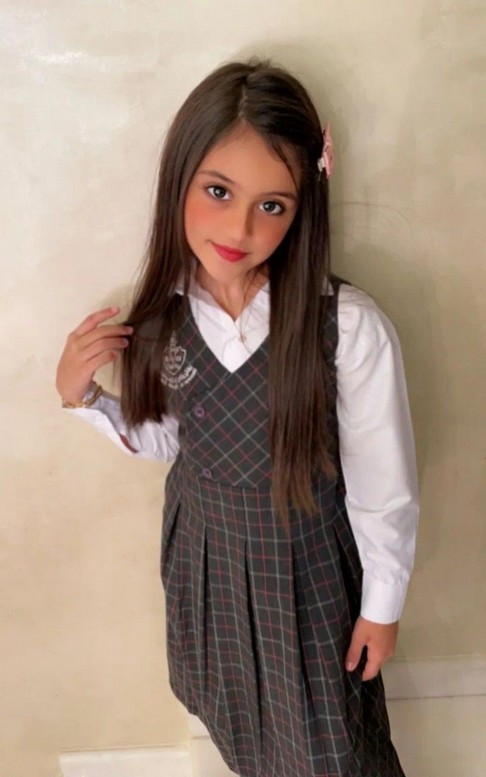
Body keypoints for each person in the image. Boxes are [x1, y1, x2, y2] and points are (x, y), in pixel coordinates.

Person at [55, 57, 419, 777]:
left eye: (272, 205)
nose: (239, 228)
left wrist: (382, 604)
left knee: (331, 745)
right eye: (218, 191)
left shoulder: (344, 326)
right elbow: (171, 438)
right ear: (181, 179)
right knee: (241, 728)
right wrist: (84, 396)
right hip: (206, 559)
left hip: (303, 571)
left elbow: (384, 483)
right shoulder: (162, 317)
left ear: (303, 206)